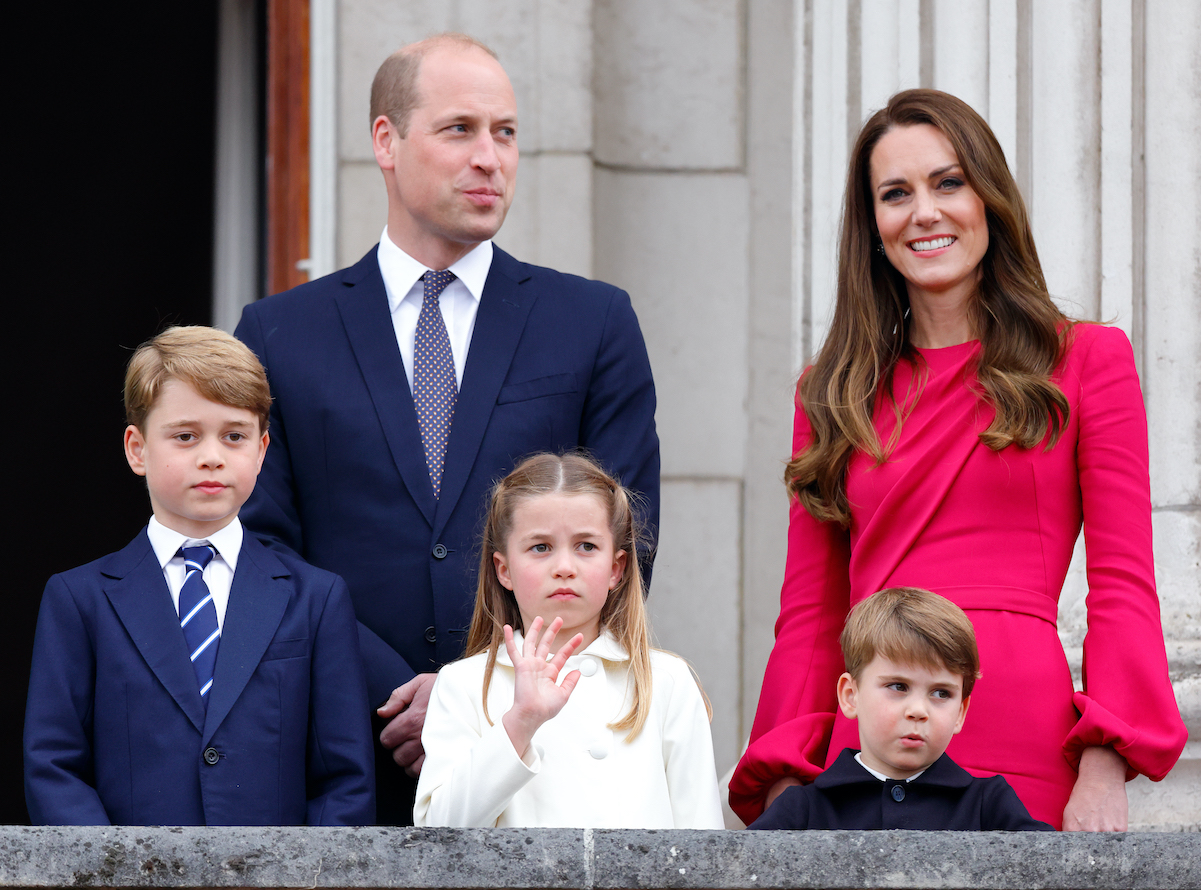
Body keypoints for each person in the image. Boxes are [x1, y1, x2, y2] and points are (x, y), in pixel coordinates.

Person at [729, 89, 1186, 831]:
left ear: (988, 198)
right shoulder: (831, 393)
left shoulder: (1086, 362)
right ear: (872, 227)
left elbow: (1122, 583)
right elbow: (811, 613)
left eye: (948, 183)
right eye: (895, 194)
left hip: (1023, 737)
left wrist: (1105, 762)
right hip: (870, 743)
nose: (925, 212)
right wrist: (785, 776)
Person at [234, 33, 659, 822]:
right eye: (460, 129)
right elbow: (258, 548)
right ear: (385, 141)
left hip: (542, 758)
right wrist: (388, 692)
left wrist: (475, 697)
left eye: (505, 132)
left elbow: (627, 535)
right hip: (339, 754)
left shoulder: (591, 322)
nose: (490, 157)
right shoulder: (279, 333)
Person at [23, 327, 374, 826]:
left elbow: (344, 780)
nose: (212, 455)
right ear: (137, 448)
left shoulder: (316, 599)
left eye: (234, 435)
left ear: (261, 449)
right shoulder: (79, 600)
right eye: (185, 436)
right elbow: (53, 766)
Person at [413, 453, 722, 828]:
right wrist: (520, 723)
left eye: (586, 546)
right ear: (504, 570)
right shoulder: (462, 685)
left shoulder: (668, 682)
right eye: (540, 547)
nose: (564, 567)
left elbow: (704, 848)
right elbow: (437, 834)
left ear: (616, 568)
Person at [749, 588, 1051, 830]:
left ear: (961, 711)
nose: (918, 710)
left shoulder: (989, 805)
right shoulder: (803, 809)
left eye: (941, 693)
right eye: (898, 686)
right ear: (850, 695)